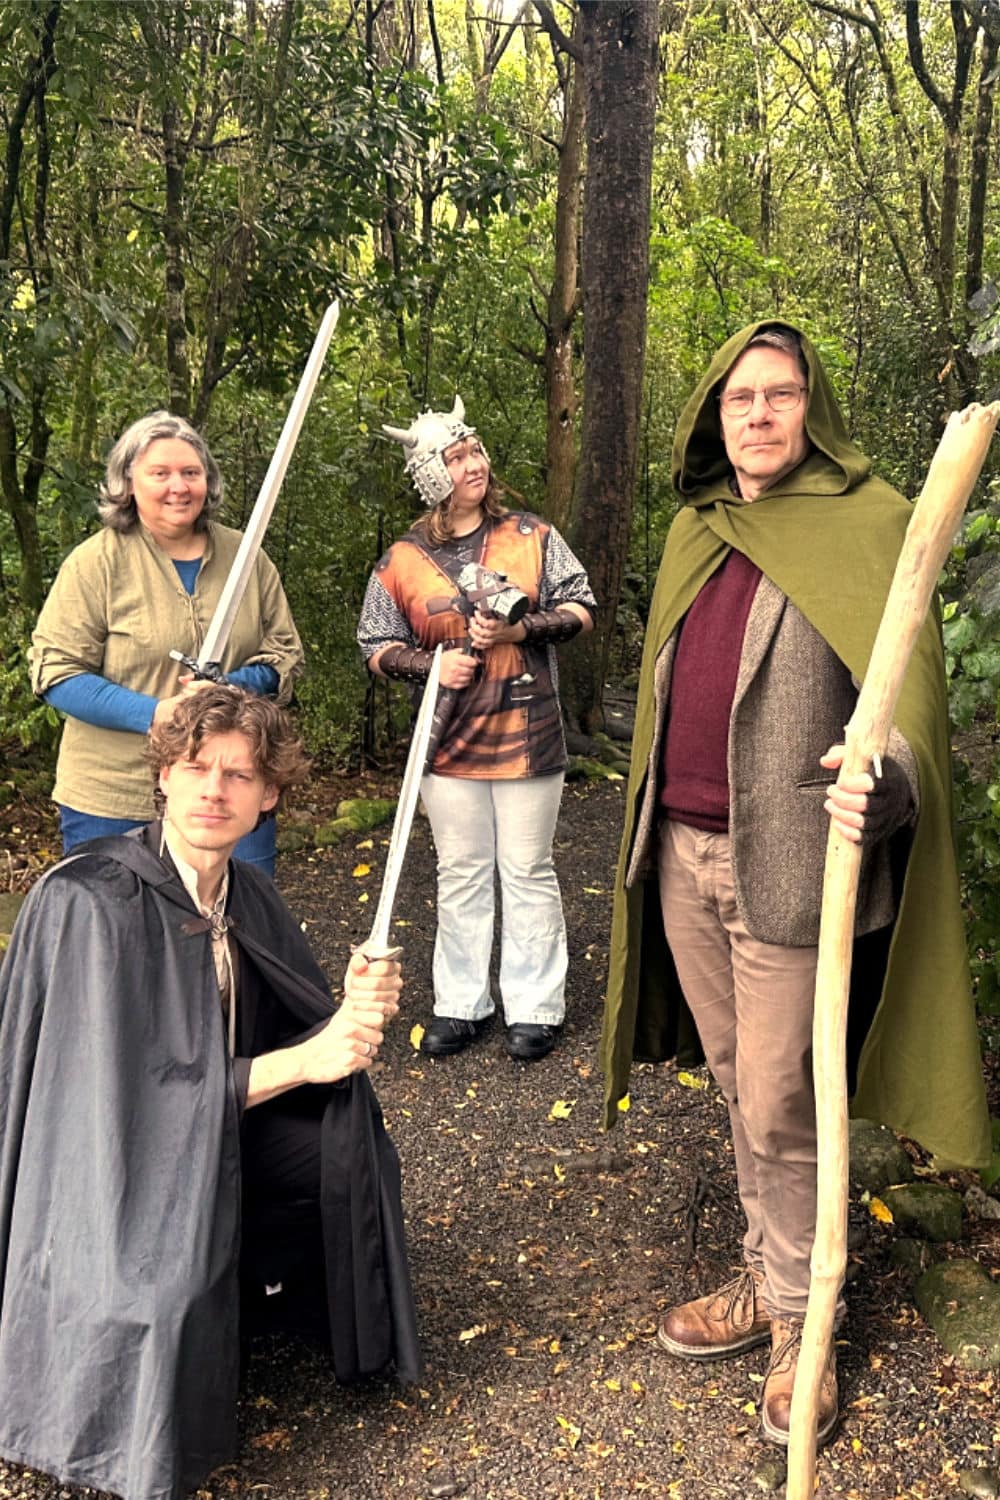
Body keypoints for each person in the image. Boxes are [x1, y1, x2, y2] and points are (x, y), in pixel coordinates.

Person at [600, 322, 990, 1446]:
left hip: (791, 860)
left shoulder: (866, 524)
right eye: (738, 399)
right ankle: (772, 1279)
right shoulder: (697, 527)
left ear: (810, 408)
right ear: (713, 416)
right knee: (738, 1082)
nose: (757, 415)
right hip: (681, 849)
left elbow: (906, 692)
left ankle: (801, 1321)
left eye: (777, 396)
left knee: (778, 1091)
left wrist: (888, 779)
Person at [0, 687, 419, 1500]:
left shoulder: (248, 897)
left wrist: (351, 1008)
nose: (213, 791)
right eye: (196, 768)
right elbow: (118, 1106)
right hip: (104, 1175)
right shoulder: (91, 902)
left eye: (239, 775)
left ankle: (277, 1306)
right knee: (156, 1296)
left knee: (346, 1143)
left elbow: (285, 1041)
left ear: (268, 797)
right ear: (163, 776)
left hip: (216, 1131)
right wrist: (310, 1059)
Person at [358, 396, 596, 1063]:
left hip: (529, 728)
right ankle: (461, 1004)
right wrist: (432, 665)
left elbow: (581, 606)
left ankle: (535, 1007)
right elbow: (374, 643)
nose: (474, 465)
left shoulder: (531, 535)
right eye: (457, 456)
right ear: (433, 472)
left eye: (477, 451)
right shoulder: (404, 558)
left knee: (526, 869)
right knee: (460, 870)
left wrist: (523, 628)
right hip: (447, 740)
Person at [30, 410, 303, 875]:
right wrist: (158, 713)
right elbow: (56, 672)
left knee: (240, 929)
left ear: (207, 482)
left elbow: (284, 656)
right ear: (128, 482)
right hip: (112, 793)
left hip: (230, 788)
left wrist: (227, 689)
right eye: (161, 473)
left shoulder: (247, 558)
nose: (178, 486)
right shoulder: (95, 564)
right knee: (115, 933)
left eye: (190, 473)